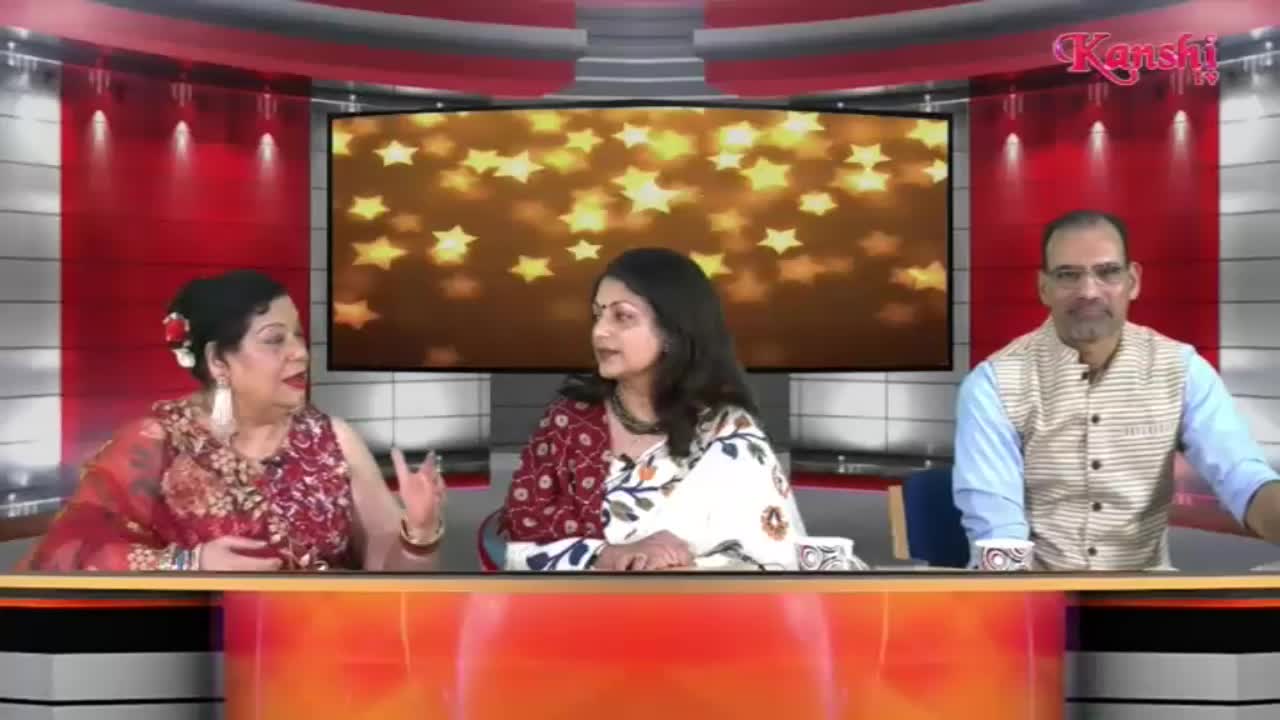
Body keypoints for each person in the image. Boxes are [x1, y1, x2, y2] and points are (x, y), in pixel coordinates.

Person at [20, 270, 446, 572]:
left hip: (322, 653)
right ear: (218, 360)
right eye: (275, 340)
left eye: (299, 336)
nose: (300, 353)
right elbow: (70, 550)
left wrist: (420, 531)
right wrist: (192, 563)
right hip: (189, 657)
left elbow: (390, 575)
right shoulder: (157, 441)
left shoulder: (334, 438)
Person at [953, 210, 1280, 570]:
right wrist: (1025, 616)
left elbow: (1242, 477)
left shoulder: (1182, 370)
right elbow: (998, 531)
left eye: (1107, 272)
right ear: (1043, 288)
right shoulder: (993, 385)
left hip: (1147, 603)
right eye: (1067, 275)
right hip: (1037, 600)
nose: (1088, 292)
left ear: (1133, 280)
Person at [499, 247, 807, 571]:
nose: (599, 331)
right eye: (598, 314)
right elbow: (521, 545)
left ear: (673, 331)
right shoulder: (568, 421)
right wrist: (607, 555)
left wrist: (673, 570)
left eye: (622, 316)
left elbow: (774, 558)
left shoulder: (728, 433)